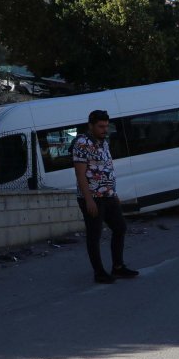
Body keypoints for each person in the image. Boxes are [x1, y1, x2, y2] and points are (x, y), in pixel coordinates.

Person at [72, 110, 138, 284]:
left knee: (120, 227)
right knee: (94, 235)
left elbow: (107, 168)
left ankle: (118, 267)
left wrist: (113, 193)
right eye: (100, 126)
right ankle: (99, 273)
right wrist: (88, 200)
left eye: (106, 126)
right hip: (93, 197)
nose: (104, 129)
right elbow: (80, 175)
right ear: (91, 125)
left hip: (108, 196)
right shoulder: (82, 143)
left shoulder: (104, 143)